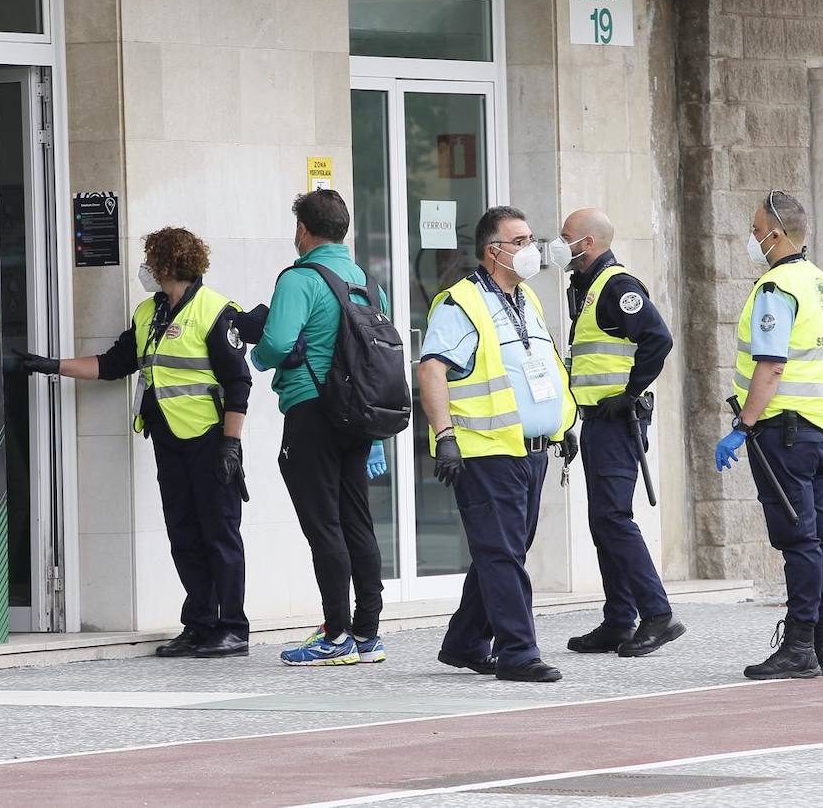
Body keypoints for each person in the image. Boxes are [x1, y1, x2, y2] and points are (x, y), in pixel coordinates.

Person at [18, 227, 252, 658]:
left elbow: (239, 382)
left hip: (209, 440)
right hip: (168, 439)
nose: (145, 268)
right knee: (183, 535)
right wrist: (50, 365)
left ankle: (233, 627)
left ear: (165, 265)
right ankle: (199, 624)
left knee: (220, 534)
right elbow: (113, 364)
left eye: (150, 260)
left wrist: (230, 445)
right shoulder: (149, 313)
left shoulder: (215, 311)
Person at [418, 206, 578, 683]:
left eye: (532, 238)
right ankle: (518, 652)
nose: (533, 249)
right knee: (502, 552)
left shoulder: (526, 296)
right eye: (521, 241)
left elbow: (539, 366)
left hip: (530, 449)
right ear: (494, 251)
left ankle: (466, 641)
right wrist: (445, 437)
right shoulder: (460, 302)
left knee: (506, 549)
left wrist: (560, 422)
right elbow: (431, 369)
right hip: (485, 449)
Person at [242, 190, 388, 667]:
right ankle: (367, 633)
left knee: (322, 525)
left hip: (312, 410)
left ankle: (336, 634)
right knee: (356, 520)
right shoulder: (366, 280)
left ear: (303, 230)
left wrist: (259, 349)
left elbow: (277, 344)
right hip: (359, 414)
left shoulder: (299, 278)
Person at [715, 191, 823, 680]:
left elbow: (770, 365)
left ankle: (798, 647)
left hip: (784, 433)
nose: (751, 237)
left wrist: (742, 426)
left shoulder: (777, 289)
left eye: (755, 228)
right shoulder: (820, 283)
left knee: (799, 541)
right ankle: (821, 644)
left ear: (776, 233)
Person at [550, 208, 686, 658]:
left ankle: (657, 613)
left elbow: (658, 339)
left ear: (587, 243)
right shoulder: (587, 288)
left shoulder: (618, 286)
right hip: (597, 420)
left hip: (618, 421)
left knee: (612, 519)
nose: (559, 243)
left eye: (566, 236)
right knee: (602, 520)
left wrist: (630, 393)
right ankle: (618, 620)